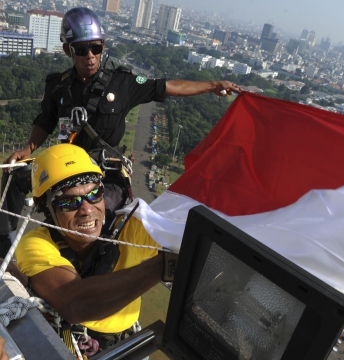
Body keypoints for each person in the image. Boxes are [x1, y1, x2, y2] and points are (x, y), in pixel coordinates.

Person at [0, 6, 242, 255]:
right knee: (14, 173)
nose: (90, 56)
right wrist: (28, 148)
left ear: (103, 46)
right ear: (67, 50)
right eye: (82, 50)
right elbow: (45, 120)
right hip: (66, 168)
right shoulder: (58, 87)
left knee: (97, 224)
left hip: (105, 174)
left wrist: (213, 85)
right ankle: (3, 242)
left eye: (96, 47)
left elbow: (166, 86)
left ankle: (95, 268)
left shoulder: (122, 83)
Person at [14, 143, 167, 355]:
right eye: (69, 202)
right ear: (48, 210)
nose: (87, 209)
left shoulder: (129, 229)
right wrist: (165, 266)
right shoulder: (36, 244)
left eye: (95, 194)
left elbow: (182, 234)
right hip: (77, 343)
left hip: (129, 340)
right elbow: (74, 303)